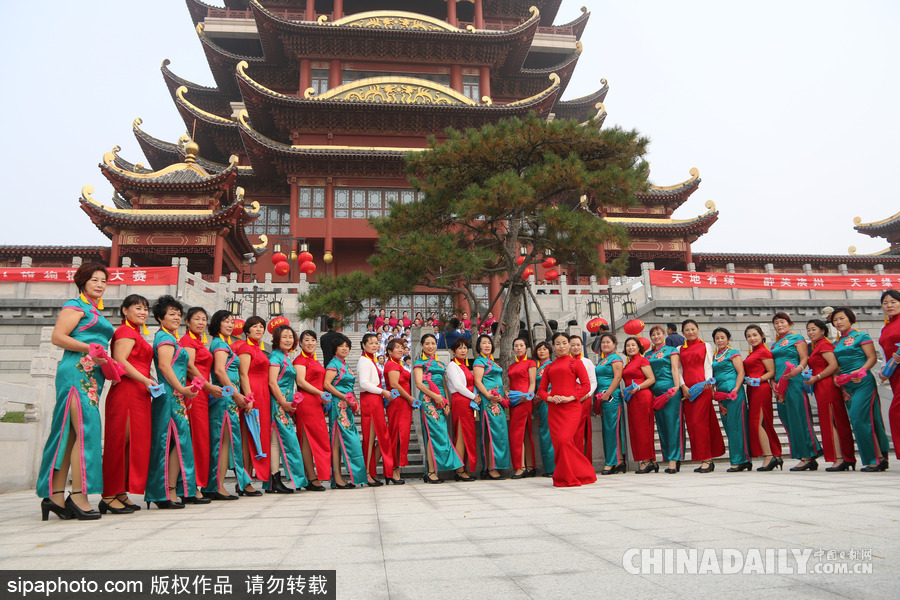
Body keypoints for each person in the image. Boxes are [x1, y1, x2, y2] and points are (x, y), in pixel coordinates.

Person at [37, 263, 114, 521]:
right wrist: (89, 349)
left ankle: (54, 495)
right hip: (75, 372)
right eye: (95, 280)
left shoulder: (95, 311)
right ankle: (79, 495)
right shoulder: (75, 306)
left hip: (93, 376)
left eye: (103, 280)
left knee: (70, 433)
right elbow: (58, 337)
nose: (100, 284)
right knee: (86, 429)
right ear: (82, 282)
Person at [101, 294, 153, 515]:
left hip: (140, 392)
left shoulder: (136, 333)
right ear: (124, 310)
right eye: (138, 308)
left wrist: (147, 381)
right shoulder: (124, 332)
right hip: (126, 391)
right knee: (119, 443)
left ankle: (121, 492)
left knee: (131, 444)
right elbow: (120, 360)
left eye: (145, 309)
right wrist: (144, 379)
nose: (143, 312)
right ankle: (108, 494)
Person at [145, 295, 199, 509]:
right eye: (171, 314)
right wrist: (181, 389)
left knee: (178, 442)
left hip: (176, 396)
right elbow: (166, 368)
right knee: (166, 443)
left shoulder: (172, 338)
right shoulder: (164, 339)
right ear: (160, 318)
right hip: (168, 395)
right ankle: (162, 492)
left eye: (178, 313)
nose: (176, 317)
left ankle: (171, 488)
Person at [830, 307, 889, 472]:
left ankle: (874, 460)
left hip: (863, 382)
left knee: (860, 419)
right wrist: (836, 376)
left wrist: (862, 371)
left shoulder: (862, 336)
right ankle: (880, 457)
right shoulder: (836, 343)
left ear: (850, 319)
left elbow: (872, 358)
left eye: (841, 318)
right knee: (864, 420)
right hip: (846, 386)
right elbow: (837, 365)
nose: (838, 322)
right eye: (835, 320)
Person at [538, 333, 597, 487]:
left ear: (569, 345)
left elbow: (586, 386)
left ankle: (577, 473)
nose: (562, 346)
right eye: (558, 343)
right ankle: (567, 475)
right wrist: (550, 398)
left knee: (565, 441)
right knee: (560, 444)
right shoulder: (549, 367)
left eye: (565, 343)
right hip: (554, 409)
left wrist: (571, 397)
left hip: (571, 408)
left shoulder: (576, 363)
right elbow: (542, 391)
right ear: (554, 347)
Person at [206, 310, 250, 500]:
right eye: (226, 321)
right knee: (221, 442)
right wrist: (237, 394)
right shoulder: (218, 344)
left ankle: (218, 483)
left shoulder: (225, 344)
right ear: (217, 324)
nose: (230, 325)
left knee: (226, 442)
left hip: (229, 398)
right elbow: (219, 371)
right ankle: (215, 485)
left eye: (232, 322)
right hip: (223, 398)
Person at [770, 312, 822, 471]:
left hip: (794, 382)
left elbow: (804, 358)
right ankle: (804, 455)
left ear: (789, 323)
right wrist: (772, 381)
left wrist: (798, 370)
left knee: (799, 417)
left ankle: (807, 456)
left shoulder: (797, 339)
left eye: (782, 322)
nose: (779, 325)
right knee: (787, 419)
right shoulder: (774, 345)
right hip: (780, 386)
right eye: (776, 323)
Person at [179, 307, 220, 503]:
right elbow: (189, 366)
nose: (201, 323)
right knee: (194, 438)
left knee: (201, 438)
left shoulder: (198, 342)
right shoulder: (187, 341)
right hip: (194, 392)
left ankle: (194, 485)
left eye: (204, 319)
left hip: (202, 393)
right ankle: (189, 486)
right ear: (187, 322)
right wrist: (209, 386)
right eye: (197, 319)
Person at [806, 319, 856, 471]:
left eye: (814, 329)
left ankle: (840, 458)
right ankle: (842, 457)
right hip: (820, 386)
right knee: (830, 421)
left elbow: (833, 365)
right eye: (808, 330)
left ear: (823, 330)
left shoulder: (824, 344)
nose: (810, 332)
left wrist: (817, 377)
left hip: (827, 386)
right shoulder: (817, 345)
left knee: (832, 420)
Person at [414, 333, 464, 482]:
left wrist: (447, 402)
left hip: (441, 402)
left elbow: (444, 385)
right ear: (422, 346)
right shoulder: (419, 363)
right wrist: (434, 397)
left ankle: (432, 470)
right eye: (427, 343)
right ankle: (430, 471)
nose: (430, 346)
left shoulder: (441, 365)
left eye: (433, 343)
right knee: (433, 434)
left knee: (440, 433)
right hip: (429, 402)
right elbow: (419, 383)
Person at [679, 319, 726, 473]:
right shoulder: (680, 349)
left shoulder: (706, 346)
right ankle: (702, 458)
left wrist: (707, 384)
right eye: (687, 330)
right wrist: (683, 386)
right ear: (683, 332)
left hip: (702, 388)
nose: (690, 332)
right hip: (687, 391)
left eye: (693, 329)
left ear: (698, 329)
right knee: (693, 426)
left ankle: (707, 459)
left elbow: (708, 366)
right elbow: (678, 370)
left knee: (702, 424)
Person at [266, 325, 308, 492]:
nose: (288, 340)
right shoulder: (275, 357)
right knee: (278, 441)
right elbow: (272, 381)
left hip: (285, 404)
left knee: (276, 441)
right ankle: (274, 479)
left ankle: (274, 480)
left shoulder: (284, 357)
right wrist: (283, 402)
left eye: (291, 337)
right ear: (277, 339)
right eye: (284, 337)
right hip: (278, 403)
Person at [324, 333, 367, 488]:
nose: (344, 348)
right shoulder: (333, 364)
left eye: (347, 346)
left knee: (347, 440)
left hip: (346, 406)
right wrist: (344, 397)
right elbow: (327, 385)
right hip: (338, 405)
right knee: (336, 442)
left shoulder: (345, 365)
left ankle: (342, 477)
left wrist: (354, 401)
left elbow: (349, 387)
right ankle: (337, 478)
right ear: (335, 349)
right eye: (341, 346)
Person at [234, 316, 272, 494]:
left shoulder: (258, 348)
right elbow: (243, 374)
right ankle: (244, 481)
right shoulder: (245, 348)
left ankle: (248, 480)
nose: (259, 329)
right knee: (248, 438)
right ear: (246, 330)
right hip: (253, 395)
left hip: (263, 395)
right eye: (254, 327)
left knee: (257, 437)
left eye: (261, 327)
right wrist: (248, 398)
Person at [293, 330, 331, 491]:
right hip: (306, 402)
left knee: (319, 439)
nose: (310, 343)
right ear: (300, 343)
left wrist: (323, 401)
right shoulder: (299, 360)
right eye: (306, 340)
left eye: (313, 340)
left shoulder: (314, 360)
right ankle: (311, 476)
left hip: (317, 403)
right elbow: (301, 382)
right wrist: (320, 393)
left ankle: (313, 474)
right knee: (307, 440)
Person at [710, 327, 751, 472]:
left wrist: (736, 388)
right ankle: (741, 459)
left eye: (722, 337)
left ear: (728, 339)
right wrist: (714, 389)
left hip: (734, 394)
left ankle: (741, 459)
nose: (720, 340)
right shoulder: (715, 356)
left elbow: (741, 372)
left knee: (737, 426)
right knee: (728, 427)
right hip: (722, 396)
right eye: (717, 338)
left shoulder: (733, 353)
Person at [743, 325, 782, 471]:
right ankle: (774, 454)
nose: (752, 338)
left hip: (761, 388)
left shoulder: (764, 352)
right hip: (752, 389)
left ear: (762, 335)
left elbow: (771, 372)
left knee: (756, 422)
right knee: (762, 422)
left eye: (755, 335)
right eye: (749, 336)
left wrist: (758, 379)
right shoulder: (753, 353)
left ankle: (768, 456)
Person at [358, 333, 396, 485]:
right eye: (371, 343)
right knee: (370, 438)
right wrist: (383, 392)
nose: (374, 345)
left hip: (375, 399)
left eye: (376, 343)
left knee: (379, 437)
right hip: (370, 400)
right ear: (363, 345)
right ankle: (367, 473)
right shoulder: (364, 361)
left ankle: (371, 472)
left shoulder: (370, 360)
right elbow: (363, 384)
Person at [646, 325, 684, 474]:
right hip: (656, 392)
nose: (656, 337)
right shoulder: (648, 355)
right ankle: (668, 456)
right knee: (661, 425)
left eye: (658, 334)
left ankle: (674, 459)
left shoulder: (671, 350)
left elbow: (675, 369)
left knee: (672, 423)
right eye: (653, 335)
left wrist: (676, 387)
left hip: (670, 389)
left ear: (664, 335)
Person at [472, 334, 510, 479]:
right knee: (492, 432)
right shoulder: (479, 361)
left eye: (489, 343)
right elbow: (478, 381)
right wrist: (488, 396)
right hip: (489, 401)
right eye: (484, 343)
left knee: (498, 433)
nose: (487, 345)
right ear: (479, 346)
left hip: (498, 400)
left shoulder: (492, 362)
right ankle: (490, 468)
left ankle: (491, 466)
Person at [622, 336, 657, 473]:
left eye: (633, 345)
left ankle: (646, 461)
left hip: (642, 397)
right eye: (628, 345)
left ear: (638, 347)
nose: (630, 347)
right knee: (637, 430)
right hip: (632, 399)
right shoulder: (628, 363)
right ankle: (651, 460)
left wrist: (639, 388)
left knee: (643, 429)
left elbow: (651, 379)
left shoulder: (643, 360)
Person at [445, 338, 478, 481]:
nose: (463, 350)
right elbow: (458, 386)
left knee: (467, 435)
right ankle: (459, 470)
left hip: (467, 402)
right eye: (460, 348)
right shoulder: (453, 366)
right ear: (453, 351)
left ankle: (463, 467)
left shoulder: (464, 366)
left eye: (465, 348)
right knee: (461, 434)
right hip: (460, 401)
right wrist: (474, 397)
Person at [594, 333, 625, 475]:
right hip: (602, 397)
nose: (605, 345)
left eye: (608, 342)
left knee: (612, 428)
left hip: (611, 397)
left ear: (614, 344)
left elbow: (618, 377)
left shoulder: (615, 358)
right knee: (607, 429)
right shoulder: (602, 360)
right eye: (603, 343)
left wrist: (608, 393)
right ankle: (616, 461)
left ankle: (612, 462)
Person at [384, 339, 414, 481]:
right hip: (398, 403)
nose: (400, 350)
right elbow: (394, 384)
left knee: (402, 436)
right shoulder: (391, 364)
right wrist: (409, 398)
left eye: (402, 347)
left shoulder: (398, 364)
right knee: (396, 436)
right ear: (389, 351)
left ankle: (394, 470)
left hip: (404, 403)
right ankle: (393, 471)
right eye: (396, 348)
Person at [507, 337, 537, 478]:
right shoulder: (511, 366)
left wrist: (528, 396)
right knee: (523, 432)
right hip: (513, 401)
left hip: (525, 400)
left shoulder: (530, 363)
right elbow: (510, 384)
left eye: (521, 345)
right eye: (516, 346)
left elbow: (532, 383)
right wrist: (506, 391)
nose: (518, 348)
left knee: (516, 433)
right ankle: (529, 466)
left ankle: (520, 467)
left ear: (526, 348)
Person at [878, 289, 900, 461]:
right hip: (894, 375)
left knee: (895, 412)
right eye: (885, 303)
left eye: (893, 301)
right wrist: (885, 370)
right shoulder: (886, 327)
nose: (889, 305)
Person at [569, 335, 596, 461]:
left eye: (578, 344)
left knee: (582, 430)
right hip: (569, 399)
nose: (575, 347)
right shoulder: (565, 361)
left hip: (584, 399)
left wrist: (587, 395)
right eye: (572, 344)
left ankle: (583, 460)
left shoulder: (587, 362)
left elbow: (593, 382)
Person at [532, 341, 555, 477]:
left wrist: (543, 395)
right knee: (544, 433)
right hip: (540, 403)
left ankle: (553, 467)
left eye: (545, 349)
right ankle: (548, 467)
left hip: (548, 402)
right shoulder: (538, 367)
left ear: (550, 351)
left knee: (549, 433)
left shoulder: (550, 365)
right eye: (539, 349)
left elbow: (553, 385)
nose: (542, 351)